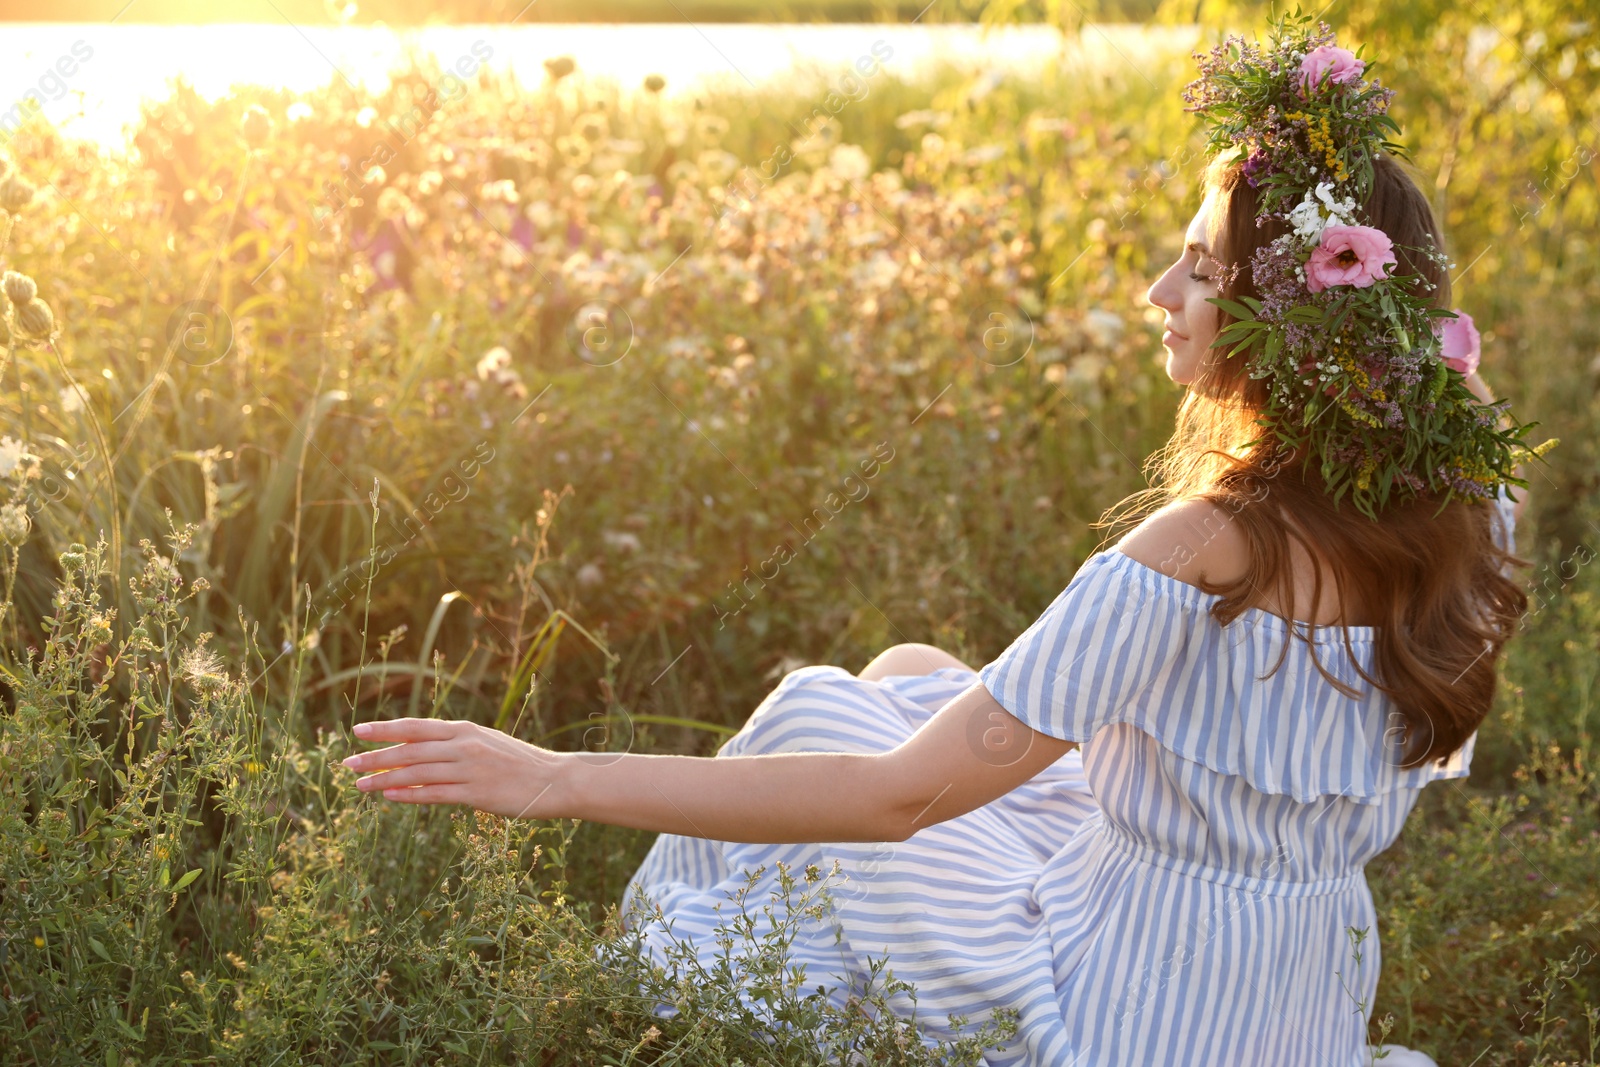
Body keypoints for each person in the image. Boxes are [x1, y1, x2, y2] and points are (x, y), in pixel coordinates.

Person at [341, 17, 1547, 1066]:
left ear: (1284, 325)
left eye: (1197, 268)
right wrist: (1381, 336)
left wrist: (552, 777)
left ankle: (631, 984)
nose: (1155, 295)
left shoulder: (1203, 550)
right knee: (914, 668)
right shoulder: (1465, 512)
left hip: (1116, 1014)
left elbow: (897, 799)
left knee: (822, 706)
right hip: (1290, 996)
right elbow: (1451, 388)